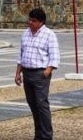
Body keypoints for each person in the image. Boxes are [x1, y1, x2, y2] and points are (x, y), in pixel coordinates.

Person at [15, 8, 60, 140]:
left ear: (41, 22)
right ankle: (38, 134)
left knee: (42, 105)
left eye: (33, 21)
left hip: (40, 73)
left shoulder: (49, 35)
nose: (30, 22)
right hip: (27, 73)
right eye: (29, 20)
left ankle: (46, 135)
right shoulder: (26, 33)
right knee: (33, 105)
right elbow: (21, 55)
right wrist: (18, 73)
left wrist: (47, 71)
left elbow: (54, 56)